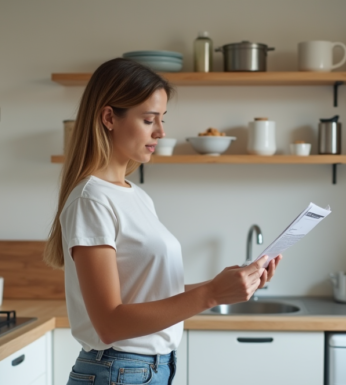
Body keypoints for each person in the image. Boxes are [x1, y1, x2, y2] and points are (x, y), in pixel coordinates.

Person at [44, 58, 281, 385]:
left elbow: (147, 295)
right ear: (109, 117)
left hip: (151, 370)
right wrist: (211, 294)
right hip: (118, 371)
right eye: (148, 119)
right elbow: (110, 324)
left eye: (161, 119)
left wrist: (227, 285)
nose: (161, 131)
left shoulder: (136, 196)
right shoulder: (91, 200)